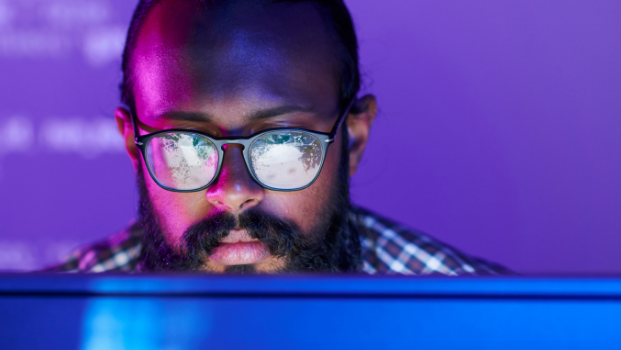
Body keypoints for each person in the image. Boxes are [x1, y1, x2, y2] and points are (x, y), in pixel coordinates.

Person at [52, 0, 509, 274]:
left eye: (283, 144)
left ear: (353, 139)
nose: (233, 193)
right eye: (187, 144)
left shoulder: (495, 329)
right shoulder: (30, 330)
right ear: (134, 145)